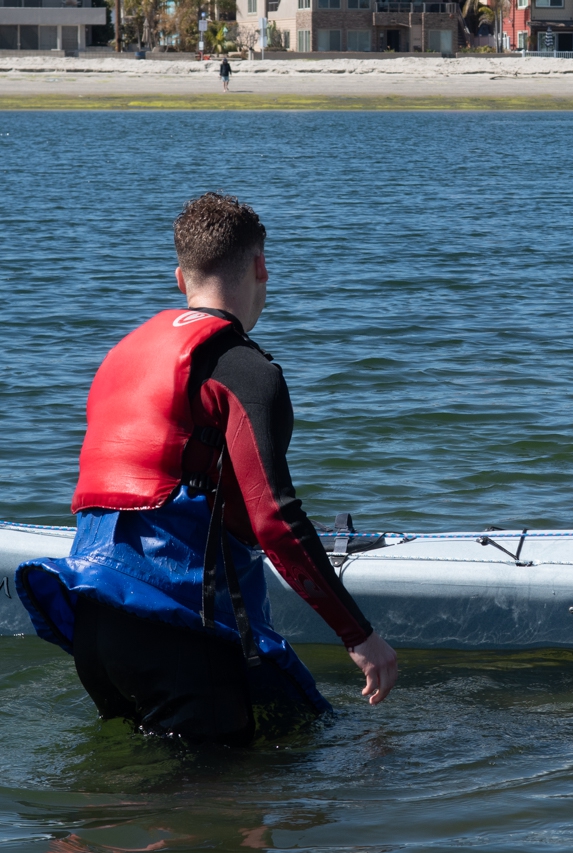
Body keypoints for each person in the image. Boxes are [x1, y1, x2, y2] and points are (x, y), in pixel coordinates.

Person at [17, 193, 397, 746]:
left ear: (180, 278)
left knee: (118, 811)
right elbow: (275, 519)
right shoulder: (243, 369)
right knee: (225, 813)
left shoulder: (123, 356)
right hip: (174, 628)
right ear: (261, 266)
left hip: (95, 623)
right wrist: (359, 635)